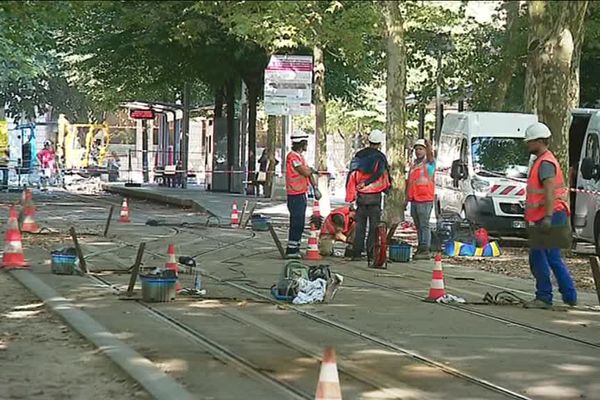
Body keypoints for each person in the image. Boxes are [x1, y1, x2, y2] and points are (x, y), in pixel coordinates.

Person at [523, 122, 577, 309]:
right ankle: (566, 295)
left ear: (539, 141)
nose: (527, 145)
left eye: (530, 141)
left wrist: (547, 217)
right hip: (547, 216)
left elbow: (549, 192)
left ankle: (548, 296)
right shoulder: (542, 160)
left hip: (550, 216)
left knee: (547, 257)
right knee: (542, 256)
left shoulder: (545, 163)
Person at [346, 129, 391, 261]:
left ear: (369, 141)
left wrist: (354, 191)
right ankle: (371, 253)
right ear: (379, 143)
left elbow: (352, 174)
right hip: (374, 198)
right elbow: (381, 173)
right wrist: (369, 182)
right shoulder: (380, 157)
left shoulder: (359, 155)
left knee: (360, 227)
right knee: (373, 228)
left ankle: (356, 253)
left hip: (361, 198)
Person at [285, 133, 321, 259]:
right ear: (301, 143)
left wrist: (315, 187)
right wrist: (311, 170)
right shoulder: (292, 157)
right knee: (296, 222)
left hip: (301, 193)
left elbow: (308, 173)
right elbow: (305, 171)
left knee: (299, 222)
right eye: (305, 142)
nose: (307, 145)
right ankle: (291, 249)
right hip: (295, 194)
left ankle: (295, 247)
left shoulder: (300, 157)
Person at [406, 138, 435, 260]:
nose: (418, 151)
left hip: (425, 198)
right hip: (414, 198)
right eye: (416, 149)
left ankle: (425, 249)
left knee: (424, 225)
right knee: (418, 225)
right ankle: (421, 246)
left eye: (420, 149)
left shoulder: (429, 164)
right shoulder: (414, 165)